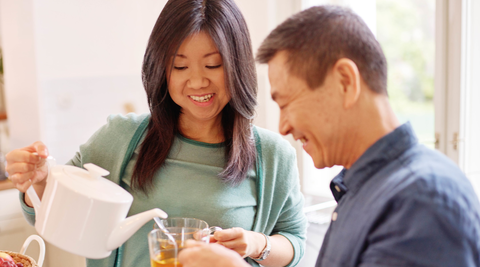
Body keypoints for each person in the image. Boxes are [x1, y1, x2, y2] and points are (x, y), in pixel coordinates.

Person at [5, 0, 307, 267]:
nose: (197, 81)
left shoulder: (272, 155)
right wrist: (39, 182)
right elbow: (50, 215)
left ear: (237, 65)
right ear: (160, 69)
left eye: (213, 64)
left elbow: (294, 243)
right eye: (179, 66)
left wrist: (257, 244)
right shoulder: (120, 137)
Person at [177, 5, 480, 267]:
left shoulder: (421, 201)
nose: (282, 127)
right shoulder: (365, 189)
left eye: (286, 103)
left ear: (345, 82)